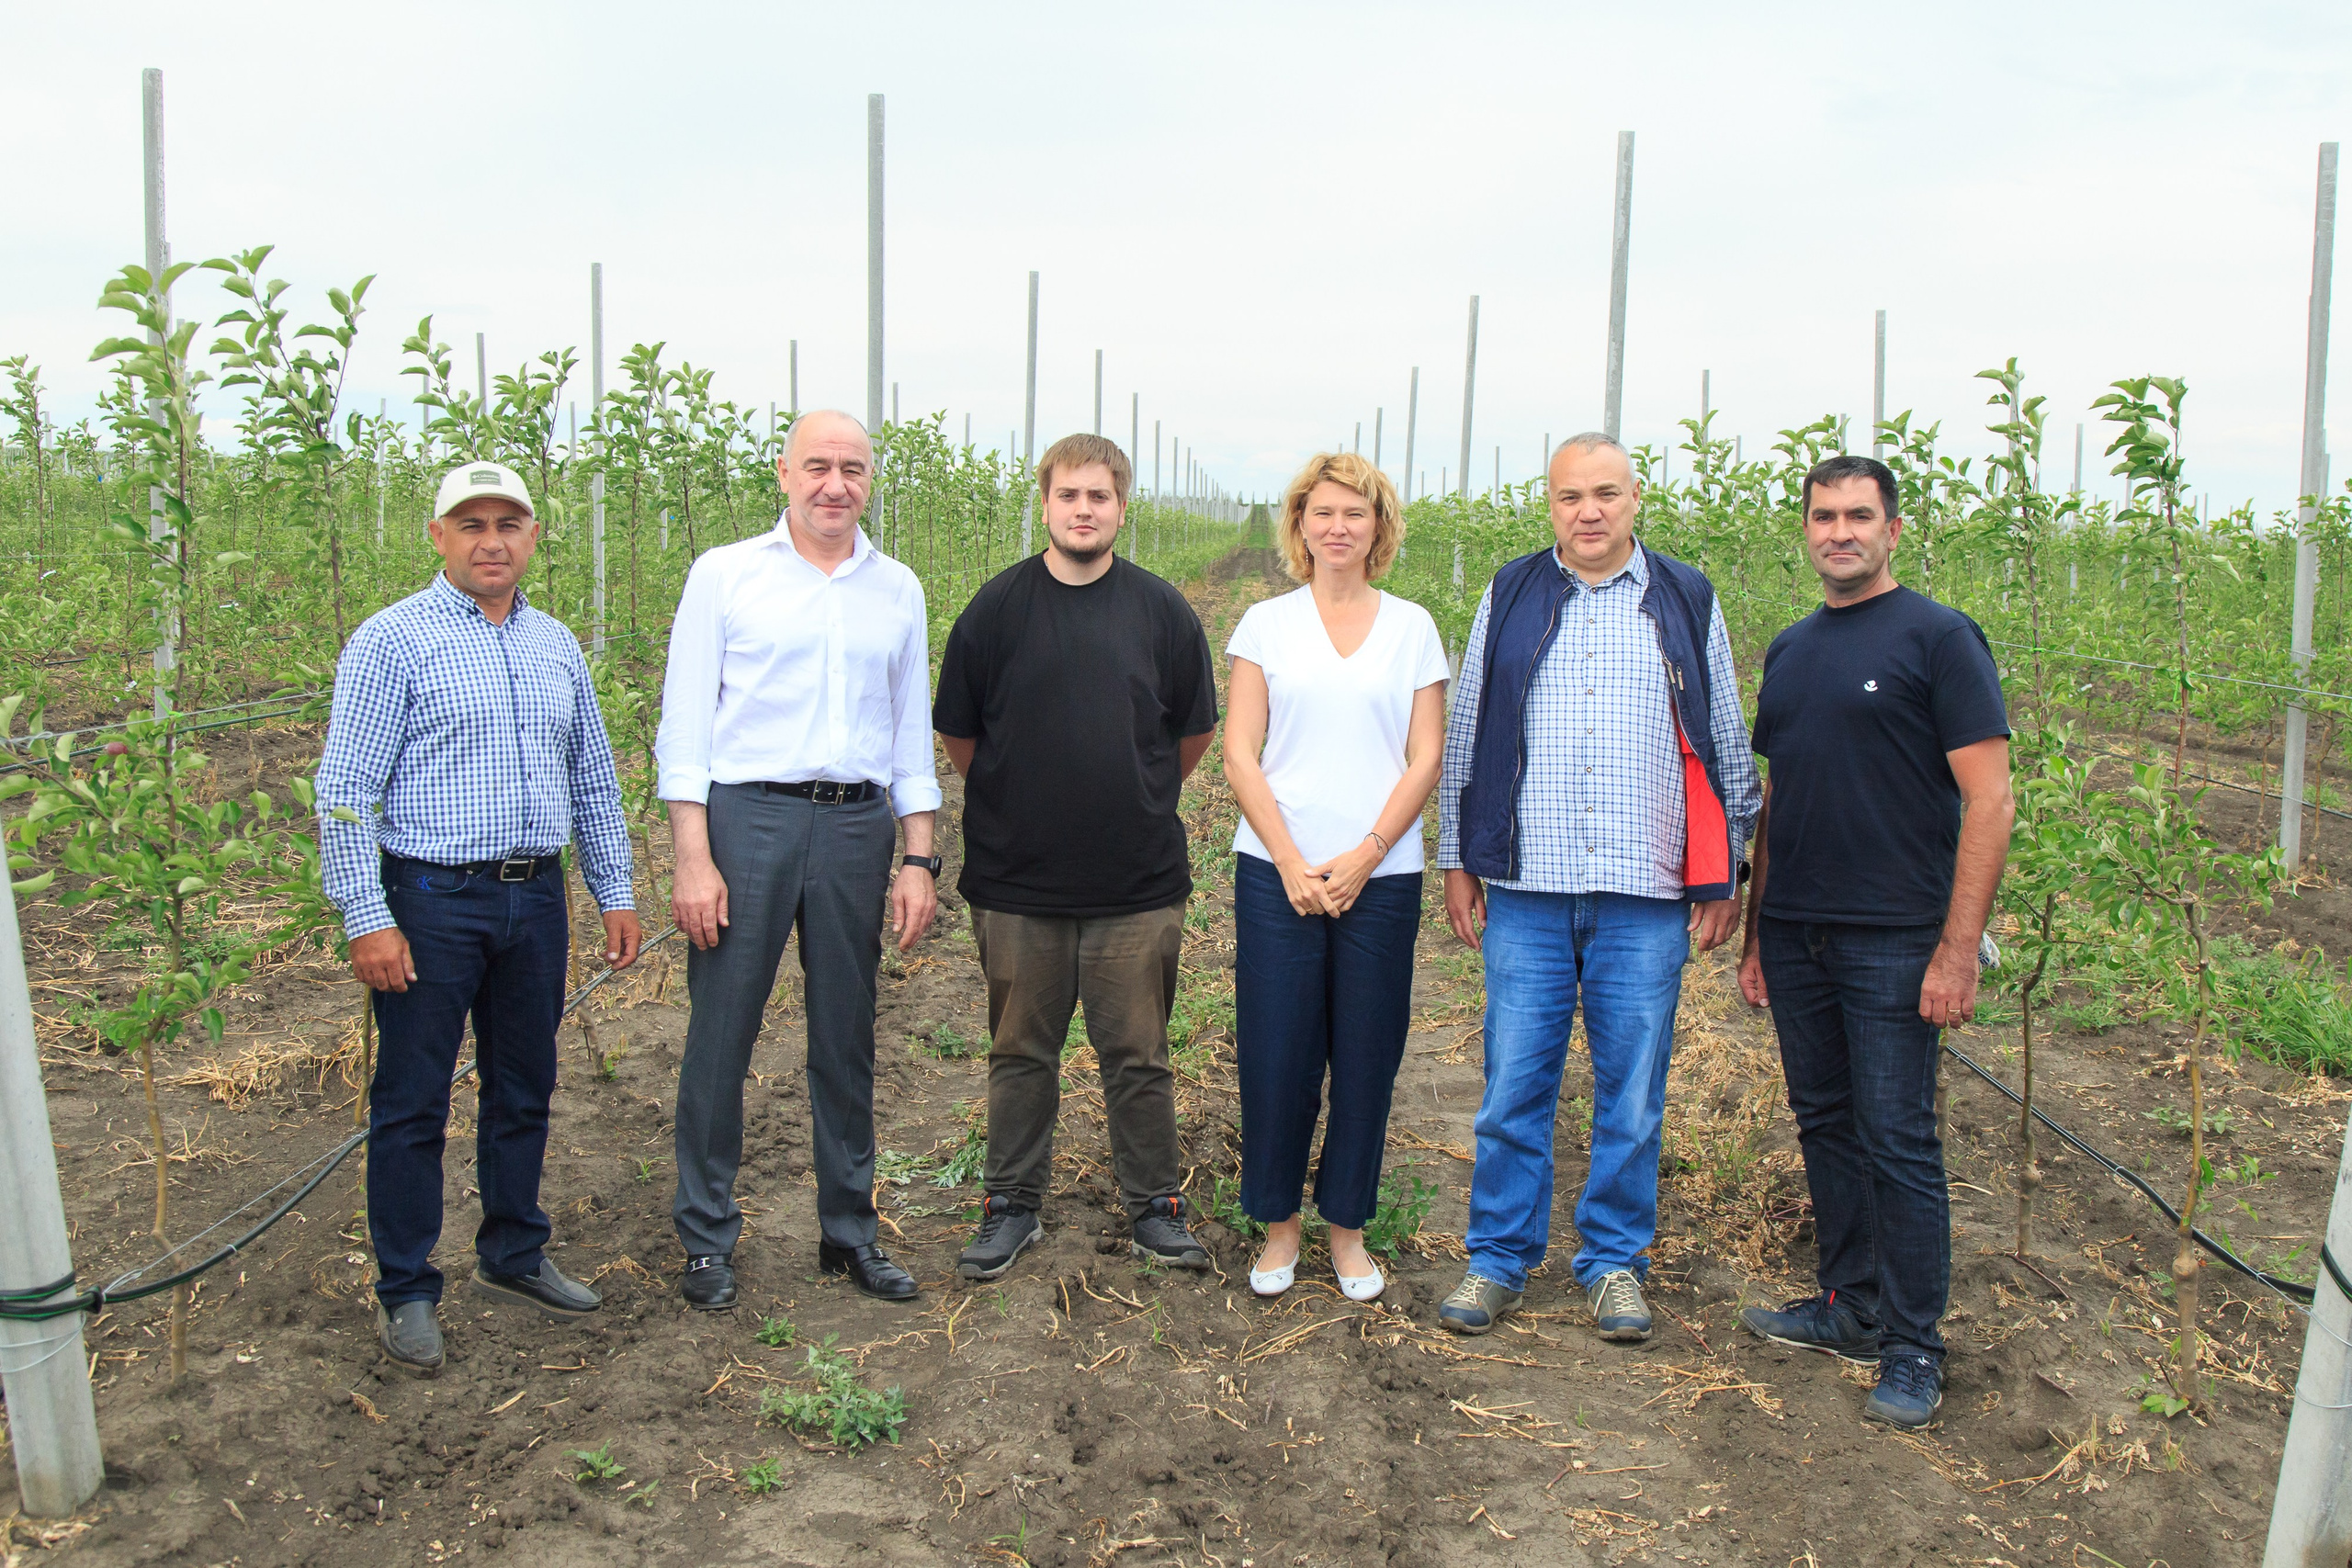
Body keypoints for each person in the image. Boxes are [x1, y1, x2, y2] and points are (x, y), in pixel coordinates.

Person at [318, 460, 641, 1377]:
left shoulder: (555, 645)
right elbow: (346, 791)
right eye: (471, 524)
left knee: (522, 1084)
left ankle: (512, 1253)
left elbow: (590, 778)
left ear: (534, 537)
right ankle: (409, 1288)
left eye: (509, 523)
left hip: (534, 898)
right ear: (438, 537)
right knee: (413, 1100)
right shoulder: (393, 641)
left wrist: (611, 889)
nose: (491, 540)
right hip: (431, 901)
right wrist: (366, 913)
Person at [1435, 433, 1760, 1341]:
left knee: (1630, 1092)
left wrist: (1726, 864)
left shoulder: (1684, 595)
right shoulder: (1511, 590)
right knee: (1513, 1083)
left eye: (1606, 493)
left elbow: (1723, 727)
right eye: (1571, 496)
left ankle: (1614, 1260)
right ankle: (1497, 1258)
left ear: (1634, 498)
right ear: (1550, 506)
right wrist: (1458, 858)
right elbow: (1468, 728)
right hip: (1529, 884)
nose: (1589, 511)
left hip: (1646, 887)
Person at [1736, 454, 2013, 1429]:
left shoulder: (1937, 638)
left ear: (1893, 530)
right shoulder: (1791, 647)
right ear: (1805, 530)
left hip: (1896, 936)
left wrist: (1955, 946)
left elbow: (1989, 797)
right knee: (1824, 1122)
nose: (1839, 531)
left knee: (1898, 1140)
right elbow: (1779, 797)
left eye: (1859, 515)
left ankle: (1912, 1345)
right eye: (1823, 516)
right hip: (1799, 931)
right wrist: (1758, 932)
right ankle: (1847, 1306)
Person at [656, 410, 942, 1310]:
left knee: (844, 1037)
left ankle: (848, 1233)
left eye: (852, 469)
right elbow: (684, 729)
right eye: (817, 465)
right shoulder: (726, 577)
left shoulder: (896, 589)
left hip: (856, 828)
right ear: (783, 474)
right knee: (721, 1033)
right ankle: (706, 1237)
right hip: (750, 821)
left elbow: (907, 737)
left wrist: (919, 857)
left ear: (869, 482)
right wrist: (693, 858)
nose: (835, 484)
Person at [934, 433, 1220, 1281]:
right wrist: (1021, 799)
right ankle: (1011, 1204)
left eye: (1099, 496)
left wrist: (1131, 793)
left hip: (1135, 884)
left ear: (1121, 508)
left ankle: (1156, 1206)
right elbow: (960, 731)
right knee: (1022, 1050)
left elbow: (1193, 730)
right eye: (1069, 495)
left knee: (1138, 1052)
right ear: (1047, 503)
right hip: (1018, 882)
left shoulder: (1161, 611)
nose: (1084, 510)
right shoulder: (996, 608)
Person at [1222, 452, 1447, 1303]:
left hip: (1381, 878)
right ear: (1300, 525)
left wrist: (1366, 853)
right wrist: (1290, 859)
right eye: (1323, 513)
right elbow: (1240, 752)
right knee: (1277, 1049)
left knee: (1366, 1051)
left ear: (1379, 526)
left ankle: (1347, 1228)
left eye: (1356, 513)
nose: (1338, 527)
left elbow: (1426, 754)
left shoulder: (1413, 626)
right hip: (1277, 872)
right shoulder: (1266, 624)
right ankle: (1279, 1225)